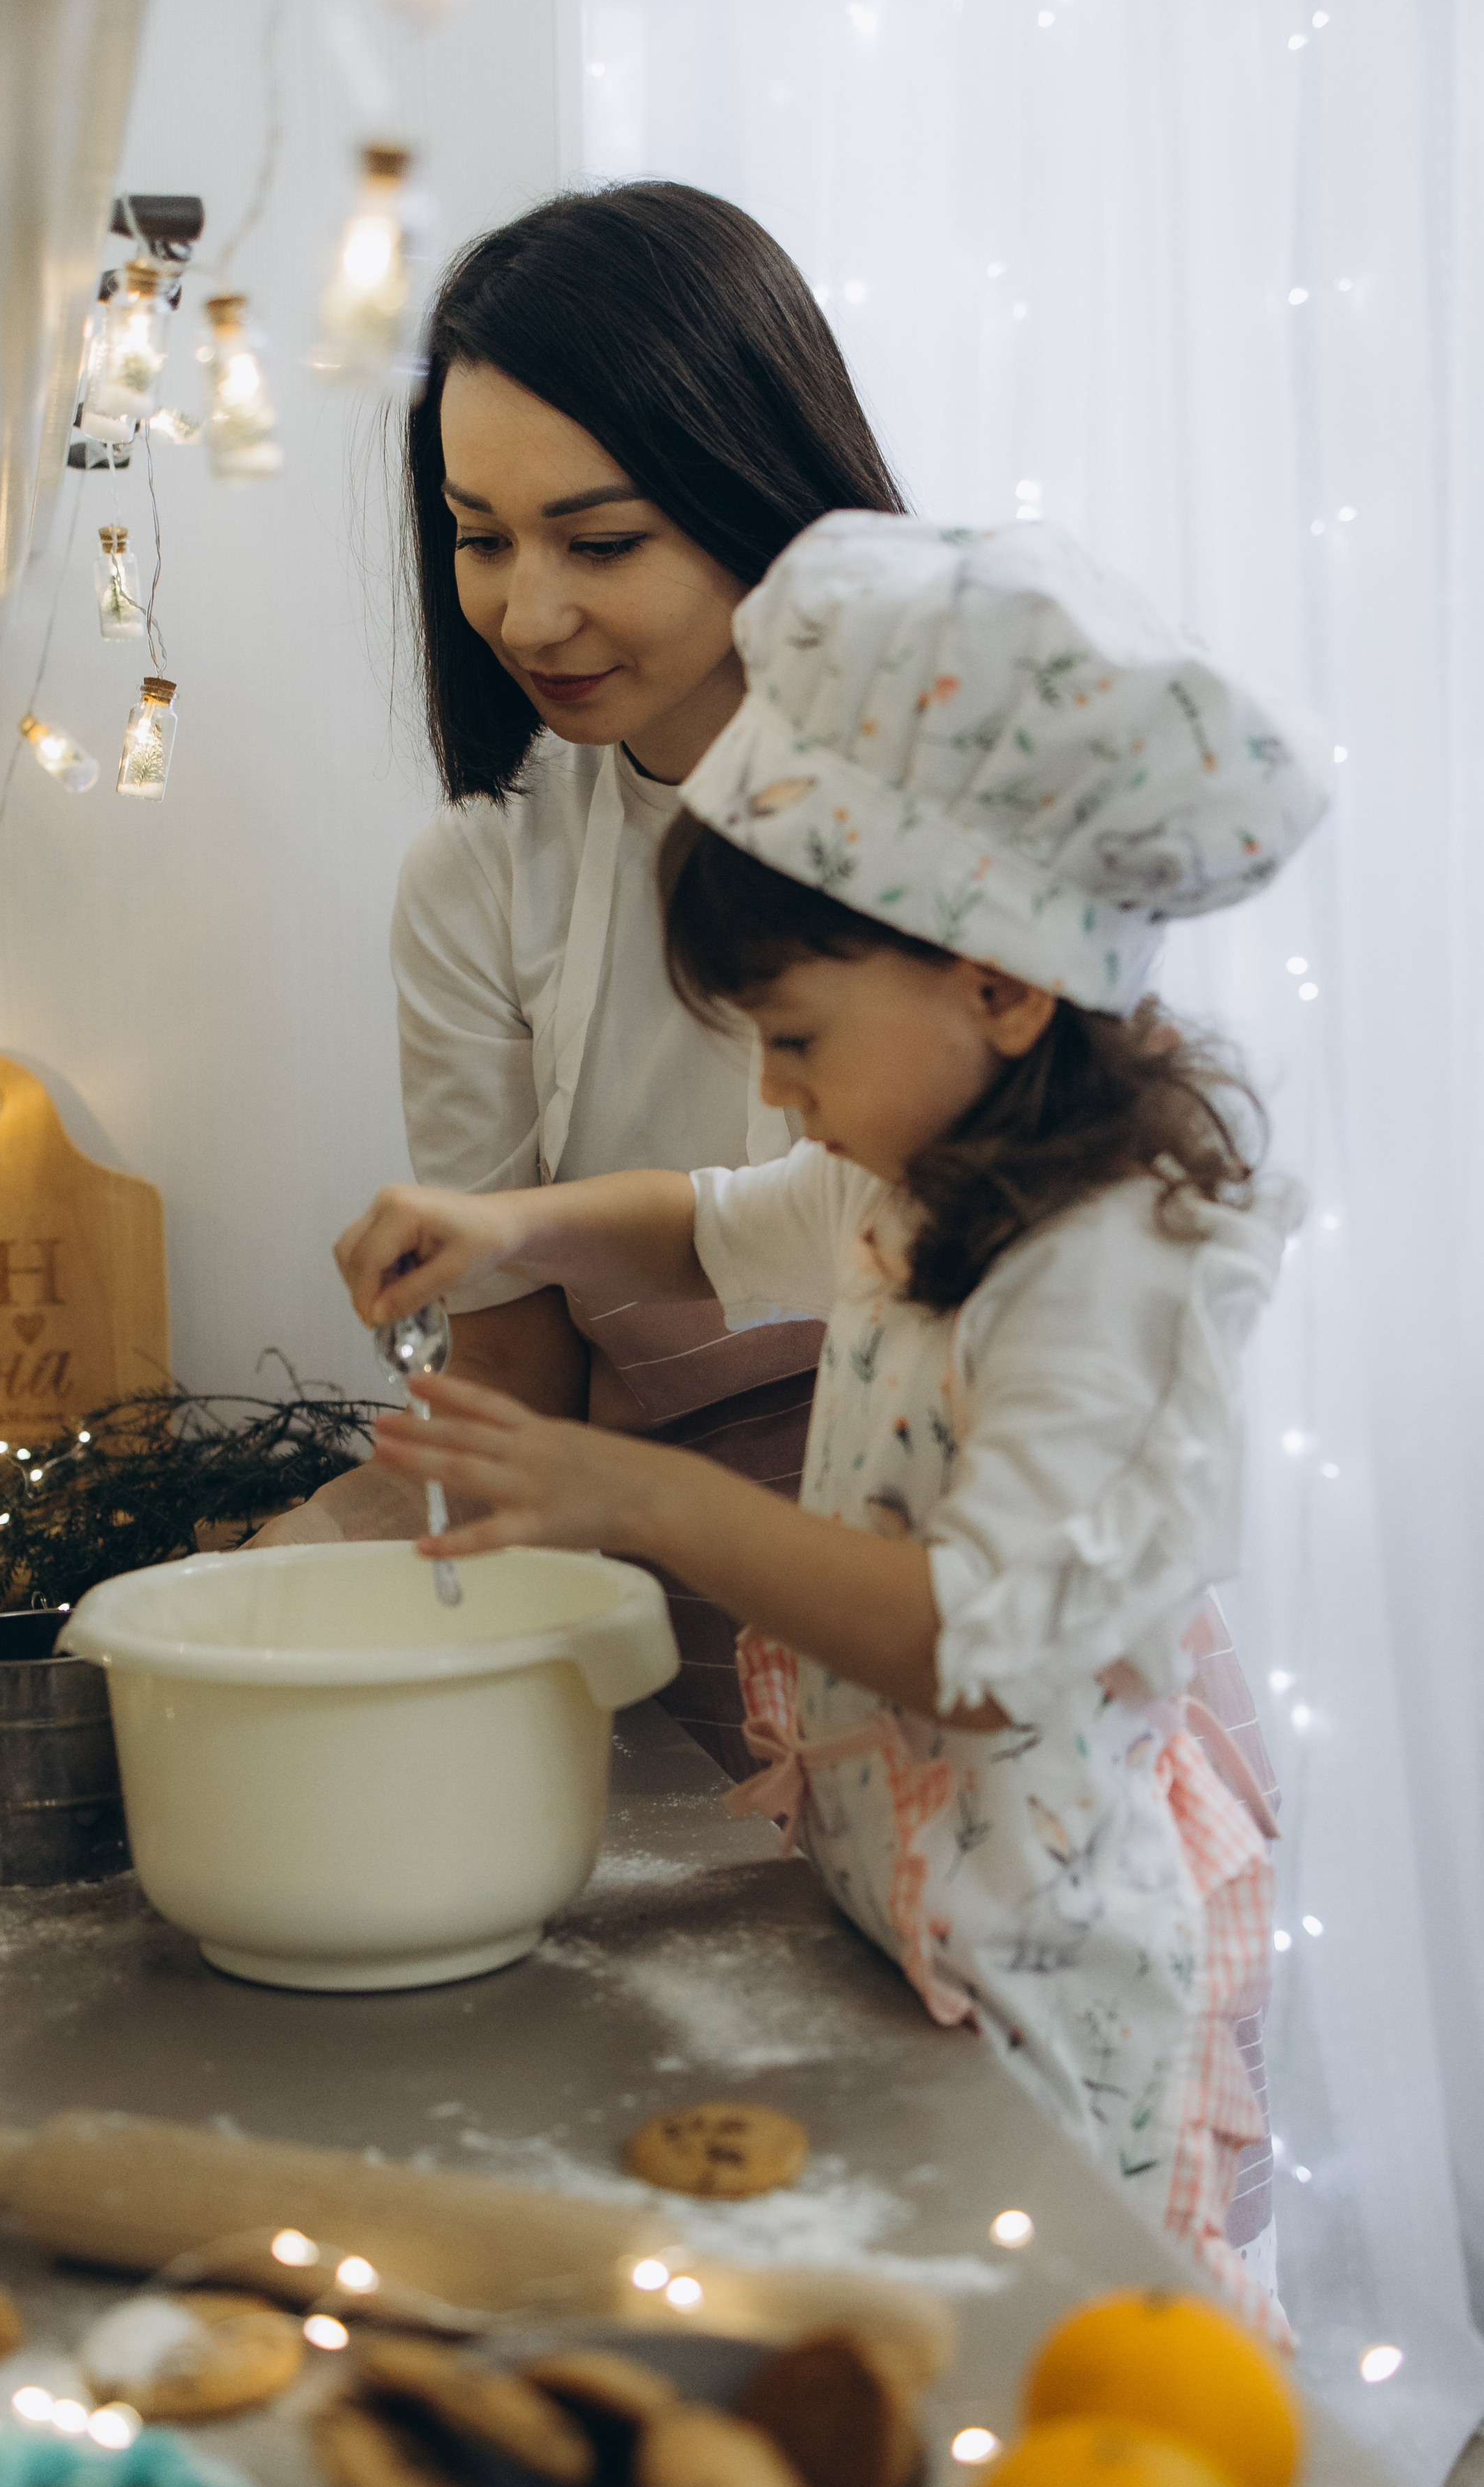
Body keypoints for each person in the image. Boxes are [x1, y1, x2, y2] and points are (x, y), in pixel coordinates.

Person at [332, 515, 1330, 2332]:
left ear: (1002, 985)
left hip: (1055, 1969)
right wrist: (508, 1226)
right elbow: (714, 1221)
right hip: (917, 1905)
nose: (777, 1092)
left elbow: (975, 1646)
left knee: (1067, 2383)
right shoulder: (917, 1168)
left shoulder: (1108, 1273)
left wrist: (634, 1494)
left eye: (794, 1041)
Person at [256, 183, 907, 1780]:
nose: (524, 613)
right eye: (478, 537)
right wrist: (272, 1573)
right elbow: (534, 1387)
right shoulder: (487, 875)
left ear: (761, 496)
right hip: (662, 1621)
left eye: (599, 540)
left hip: (945, 1582)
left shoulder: (943, 830)